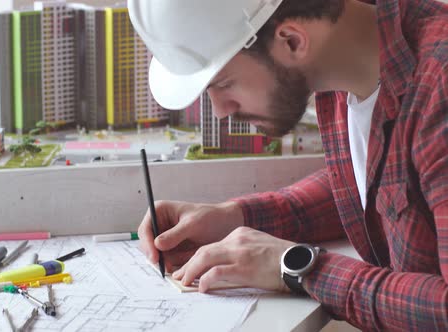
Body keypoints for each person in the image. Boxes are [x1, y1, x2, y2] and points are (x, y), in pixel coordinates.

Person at [128, 0, 448, 330]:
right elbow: (381, 182)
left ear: (292, 41)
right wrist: (234, 217)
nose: (221, 110)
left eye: (223, 84)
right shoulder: (334, 69)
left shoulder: (440, 84)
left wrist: (297, 267)